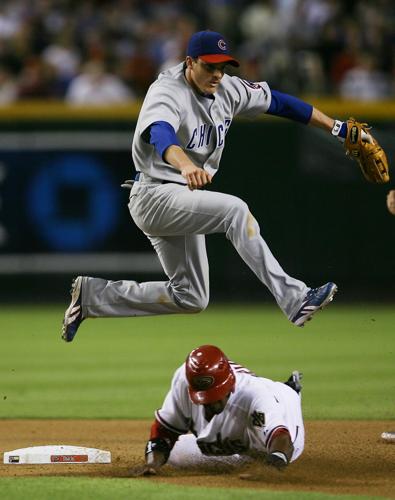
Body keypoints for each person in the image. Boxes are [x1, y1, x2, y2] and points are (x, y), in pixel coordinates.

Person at [61, 29, 348, 343]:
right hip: (154, 193)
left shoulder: (227, 88)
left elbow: (281, 103)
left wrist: (337, 127)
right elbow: (159, 133)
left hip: (182, 197)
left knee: (191, 297)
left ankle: (90, 297)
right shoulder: (168, 90)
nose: (217, 74)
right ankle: (296, 298)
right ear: (189, 62)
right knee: (235, 211)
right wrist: (185, 165)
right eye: (209, 66)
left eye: (222, 67)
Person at [138, 344, 304, 474]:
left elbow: (281, 438)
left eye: (215, 397)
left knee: (268, 456)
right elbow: (163, 434)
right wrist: (152, 464)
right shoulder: (184, 379)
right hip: (239, 432)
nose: (209, 404)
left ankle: (290, 388)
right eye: (204, 398)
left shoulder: (255, 396)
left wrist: (270, 470)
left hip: (283, 413)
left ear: (230, 385)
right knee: (175, 455)